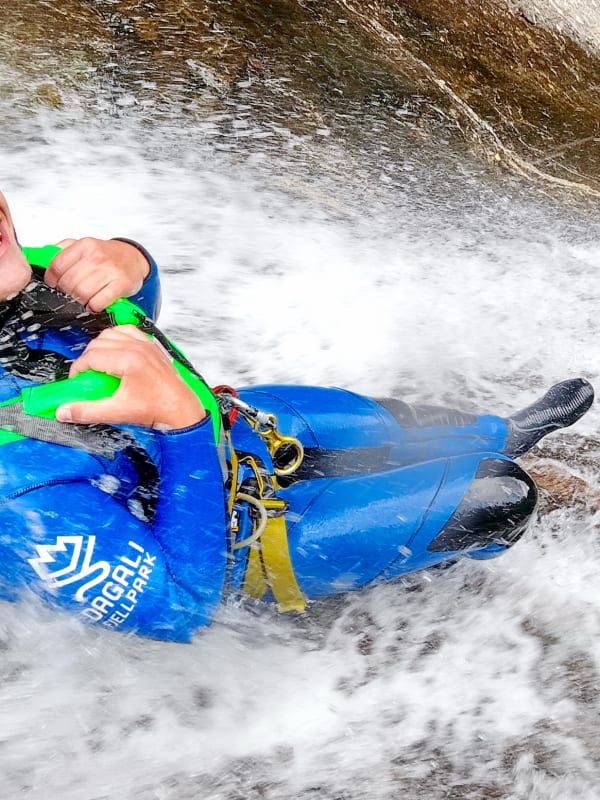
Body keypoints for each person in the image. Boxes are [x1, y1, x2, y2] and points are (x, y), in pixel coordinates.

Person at [0, 191, 594, 642]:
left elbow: (132, 318)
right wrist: (184, 425)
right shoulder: (13, 499)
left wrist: (131, 261)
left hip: (241, 433)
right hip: (232, 545)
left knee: (401, 422)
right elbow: (181, 610)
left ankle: (504, 433)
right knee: (497, 495)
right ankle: (447, 569)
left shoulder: (17, 280)